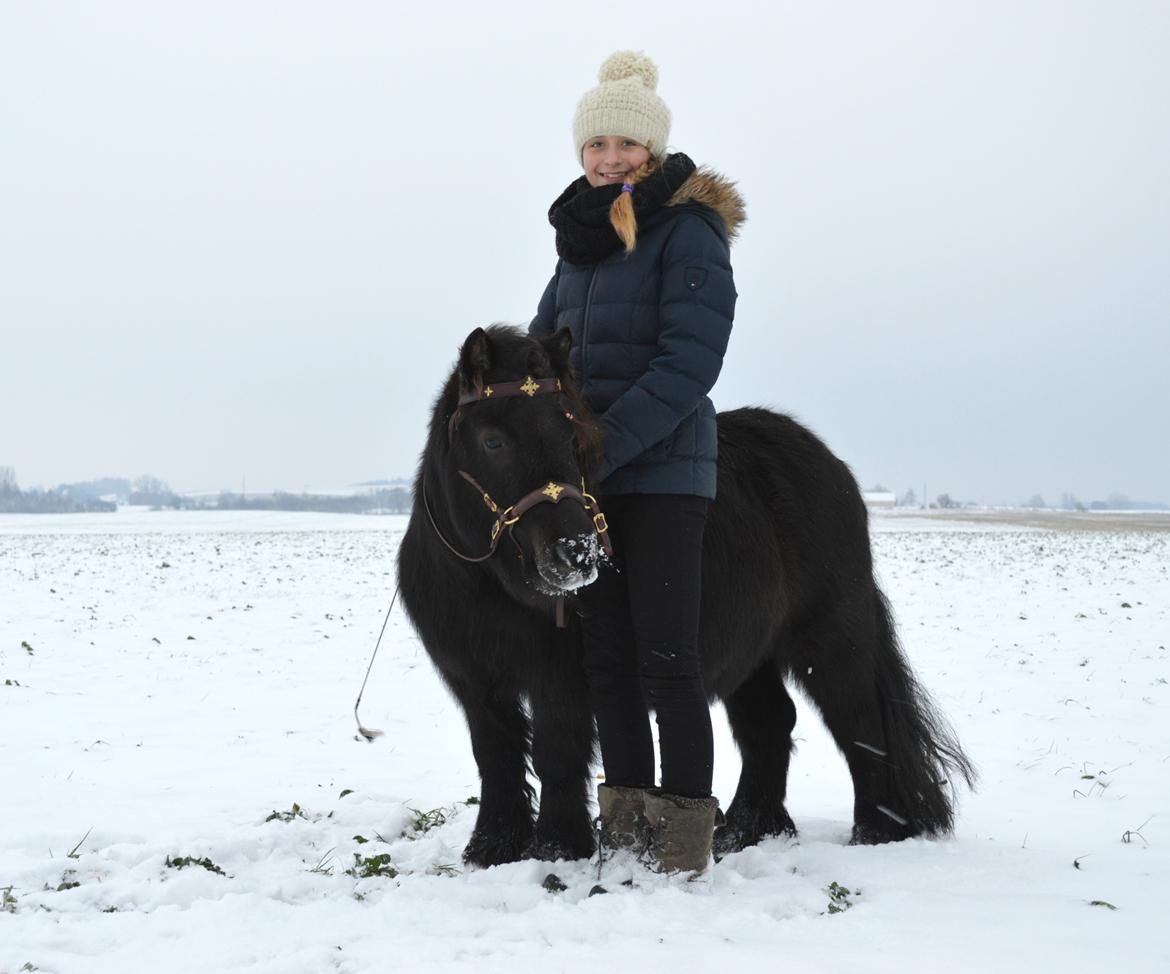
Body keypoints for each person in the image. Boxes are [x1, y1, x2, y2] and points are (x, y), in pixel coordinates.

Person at [528, 51, 743, 874]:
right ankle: (623, 827)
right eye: (596, 144)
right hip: (590, 481)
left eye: (625, 143)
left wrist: (600, 444)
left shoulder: (687, 230)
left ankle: (682, 841)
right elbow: (550, 350)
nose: (609, 157)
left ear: (651, 151)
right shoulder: (576, 240)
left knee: (665, 660)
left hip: (661, 477)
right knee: (606, 660)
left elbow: (689, 363)